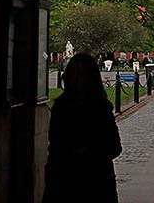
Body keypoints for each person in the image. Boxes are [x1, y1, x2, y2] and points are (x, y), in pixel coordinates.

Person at [43, 53, 122, 203]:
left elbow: (114, 147)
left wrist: (86, 151)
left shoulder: (98, 108)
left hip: (85, 181)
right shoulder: (64, 107)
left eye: (81, 74)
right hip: (75, 181)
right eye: (75, 74)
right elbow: (55, 144)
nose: (77, 79)